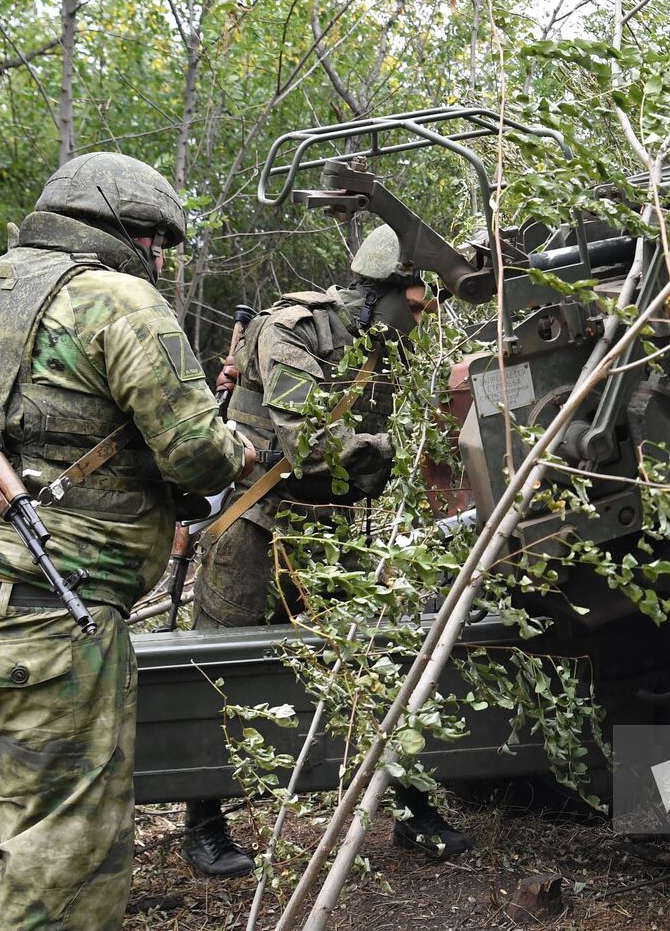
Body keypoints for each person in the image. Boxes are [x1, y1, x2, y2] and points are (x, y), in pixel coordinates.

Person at [0, 152, 257, 930]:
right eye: (156, 242)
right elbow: (197, 455)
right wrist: (240, 449)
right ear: (127, 232)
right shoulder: (116, 298)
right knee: (66, 852)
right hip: (43, 613)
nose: (159, 259)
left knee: (8, 825)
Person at [182, 224, 473, 878]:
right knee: (221, 672)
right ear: (379, 293)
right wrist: (392, 453)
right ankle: (203, 823)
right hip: (258, 524)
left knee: (384, 662)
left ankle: (411, 812)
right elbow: (310, 442)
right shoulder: (294, 329)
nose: (422, 320)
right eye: (418, 305)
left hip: (339, 527)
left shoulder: (383, 341)